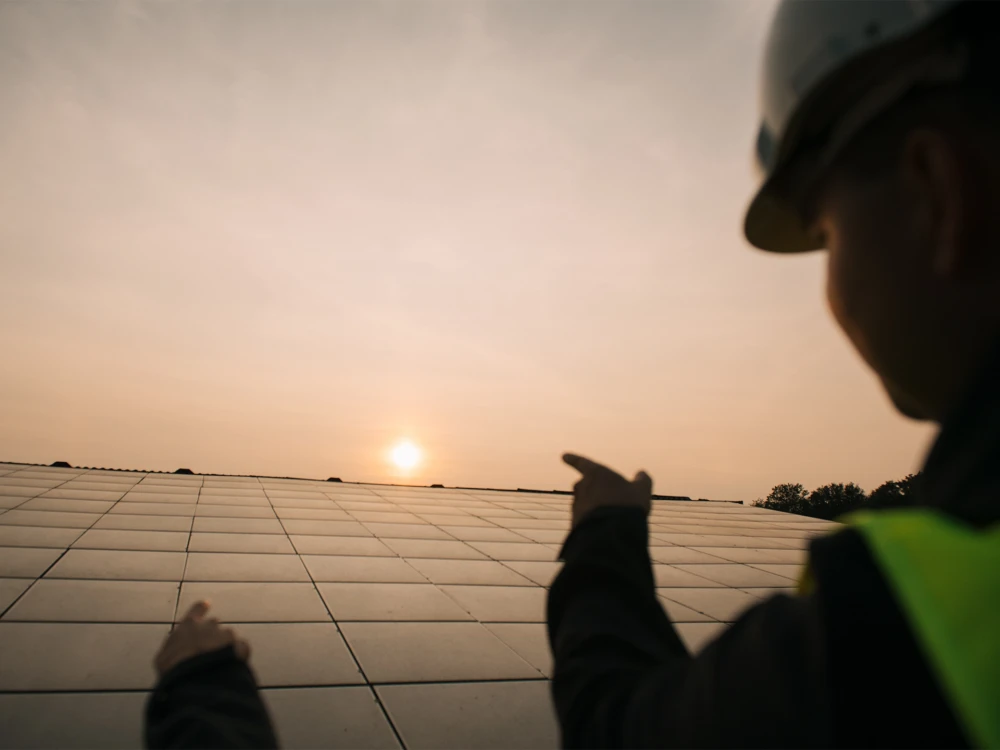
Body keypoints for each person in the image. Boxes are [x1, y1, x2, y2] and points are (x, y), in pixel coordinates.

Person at [145, 0, 1000, 747]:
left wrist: (203, 697)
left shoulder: (910, 628)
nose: (829, 280)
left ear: (937, 190)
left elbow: (628, 727)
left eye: (825, 230)